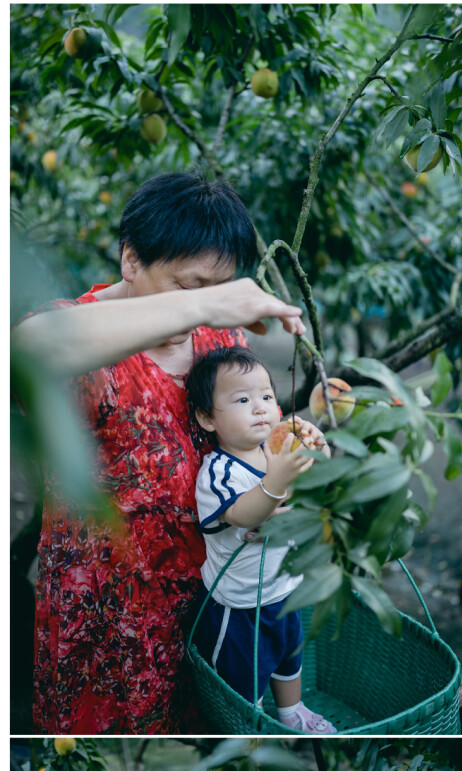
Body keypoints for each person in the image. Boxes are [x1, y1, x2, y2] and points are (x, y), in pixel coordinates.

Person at [15, 171, 307, 733]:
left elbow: (241, 442)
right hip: (108, 626)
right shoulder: (83, 338)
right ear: (130, 258)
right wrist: (207, 303)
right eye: (186, 285)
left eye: (214, 290)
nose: (199, 308)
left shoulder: (219, 342)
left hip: (209, 610)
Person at [187, 345, 335, 732]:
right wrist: (279, 479)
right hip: (238, 607)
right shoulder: (218, 473)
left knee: (290, 658)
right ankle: (247, 723)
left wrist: (320, 453)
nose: (260, 408)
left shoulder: (277, 453)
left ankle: (292, 711)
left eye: (267, 397)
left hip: (284, 590)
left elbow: (316, 491)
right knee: (243, 677)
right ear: (206, 418)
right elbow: (245, 514)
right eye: (242, 399)